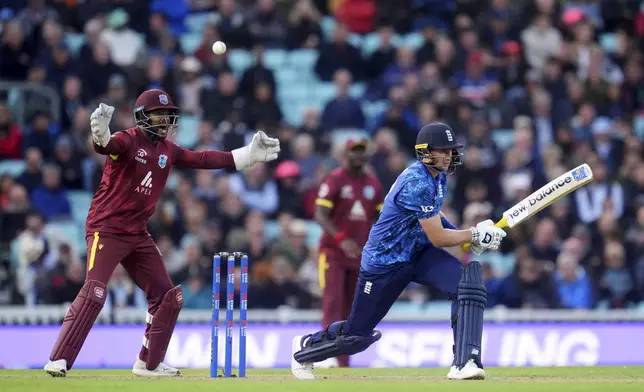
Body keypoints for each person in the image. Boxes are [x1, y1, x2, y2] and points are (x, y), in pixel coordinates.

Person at [43, 89, 280, 378]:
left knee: (168, 298)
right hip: (106, 229)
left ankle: (148, 363)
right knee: (95, 292)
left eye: (168, 114)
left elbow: (202, 158)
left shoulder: (168, 149)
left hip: (137, 233)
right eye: (159, 114)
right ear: (143, 117)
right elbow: (108, 146)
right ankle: (59, 359)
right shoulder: (130, 139)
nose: (165, 119)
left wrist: (246, 156)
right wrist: (101, 135)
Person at [291, 123, 506, 380]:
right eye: (443, 151)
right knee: (356, 337)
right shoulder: (416, 182)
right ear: (425, 152)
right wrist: (472, 235)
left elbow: (435, 219)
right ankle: (306, 348)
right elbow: (438, 237)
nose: (449, 156)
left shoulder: (437, 177)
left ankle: (465, 362)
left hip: (418, 253)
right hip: (385, 264)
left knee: (467, 286)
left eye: (451, 151)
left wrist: (467, 236)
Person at [314, 138, 383, 367]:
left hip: (359, 257)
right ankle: (325, 354)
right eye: (355, 151)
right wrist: (341, 239)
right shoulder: (334, 180)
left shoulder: (373, 184)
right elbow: (320, 215)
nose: (359, 156)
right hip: (333, 253)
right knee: (332, 303)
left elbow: (380, 219)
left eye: (363, 152)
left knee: (351, 310)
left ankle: (342, 361)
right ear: (346, 154)